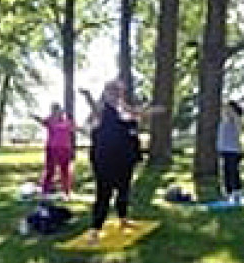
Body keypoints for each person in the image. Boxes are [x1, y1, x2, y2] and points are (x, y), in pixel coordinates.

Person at [80, 80, 158, 243]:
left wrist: (148, 112)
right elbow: (96, 114)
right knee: (104, 192)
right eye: (112, 92)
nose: (116, 95)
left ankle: (123, 219)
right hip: (105, 158)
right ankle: (95, 229)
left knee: (124, 189)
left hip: (125, 158)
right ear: (106, 93)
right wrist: (88, 98)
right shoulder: (103, 110)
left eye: (118, 92)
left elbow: (137, 122)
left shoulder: (124, 110)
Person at [33, 103, 76, 199]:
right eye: (54, 110)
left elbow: (75, 128)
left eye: (57, 109)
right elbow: (41, 121)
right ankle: (45, 191)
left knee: (65, 171)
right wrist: (35, 117)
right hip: (52, 149)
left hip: (65, 149)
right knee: (50, 170)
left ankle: (66, 192)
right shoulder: (49, 120)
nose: (56, 112)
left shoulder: (67, 122)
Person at [217, 100, 244, 203]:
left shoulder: (236, 119)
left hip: (234, 150)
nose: (225, 110)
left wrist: (234, 115)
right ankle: (228, 192)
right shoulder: (224, 120)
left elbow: (240, 130)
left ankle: (237, 191)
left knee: (233, 172)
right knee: (226, 172)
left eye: (228, 108)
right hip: (224, 150)